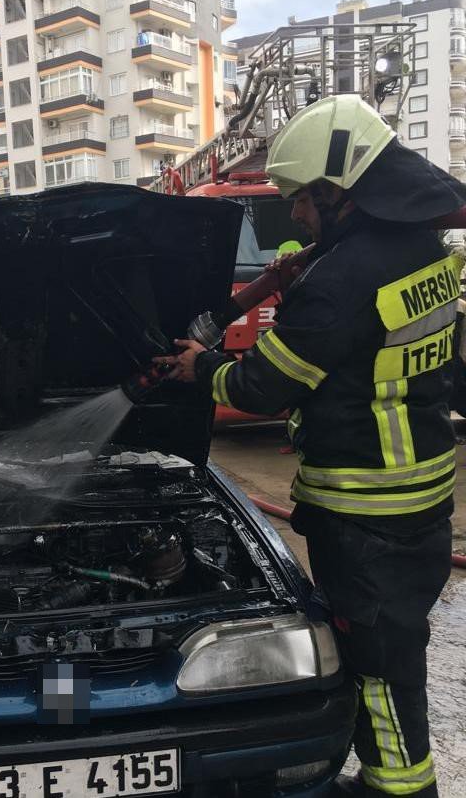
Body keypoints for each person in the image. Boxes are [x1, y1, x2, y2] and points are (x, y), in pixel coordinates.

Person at [154, 94, 466, 798]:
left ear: (338, 192)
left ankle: (399, 788)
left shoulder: (342, 279)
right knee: (395, 646)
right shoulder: (426, 253)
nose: (294, 214)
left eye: (300, 198)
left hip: (363, 510)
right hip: (420, 499)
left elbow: (263, 387)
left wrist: (201, 368)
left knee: (379, 661)